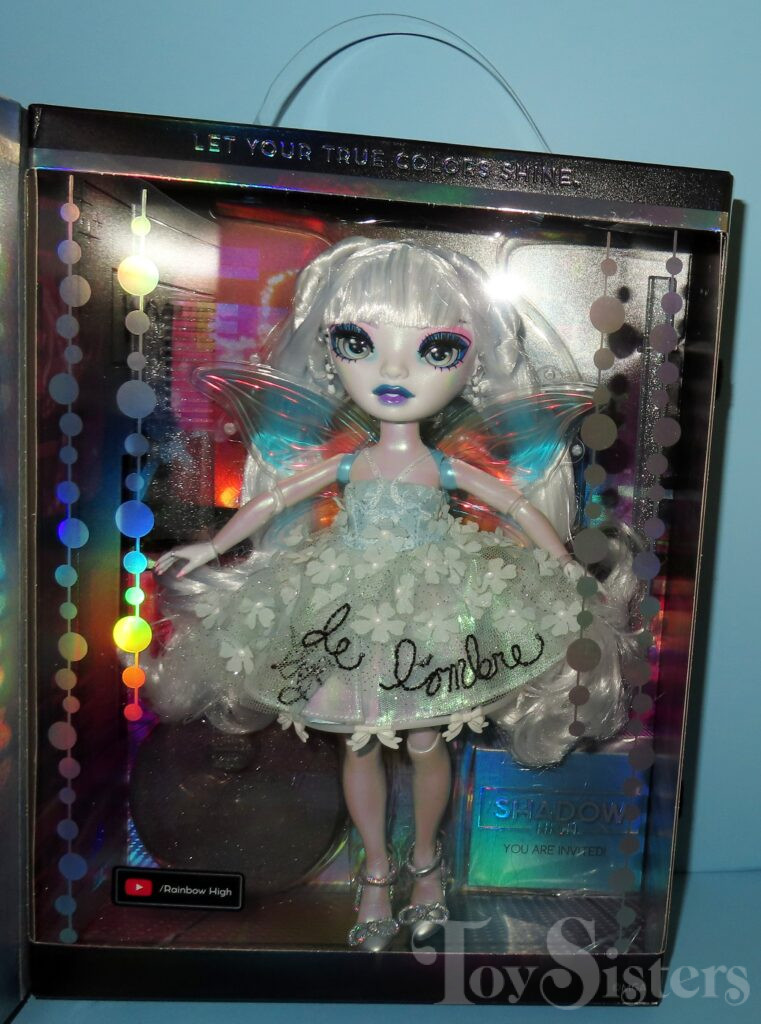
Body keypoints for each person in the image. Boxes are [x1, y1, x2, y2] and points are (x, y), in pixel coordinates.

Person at [150, 238, 631, 951]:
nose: (395, 370)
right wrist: (215, 546)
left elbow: (515, 505)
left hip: (433, 604)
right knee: (358, 741)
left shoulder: (443, 466)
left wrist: (563, 563)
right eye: (359, 343)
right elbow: (278, 496)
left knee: (427, 737)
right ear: (329, 354)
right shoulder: (350, 462)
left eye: (436, 349)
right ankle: (376, 871)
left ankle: (426, 863)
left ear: (471, 365)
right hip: (345, 606)